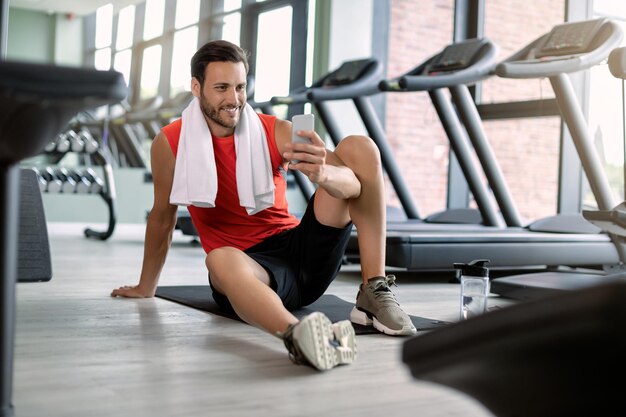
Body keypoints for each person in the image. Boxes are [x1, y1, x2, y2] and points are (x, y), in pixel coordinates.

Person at [111, 40, 417, 371]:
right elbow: (162, 217)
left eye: (240, 87)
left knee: (360, 148)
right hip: (248, 271)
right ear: (196, 88)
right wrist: (146, 286)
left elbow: (357, 188)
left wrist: (324, 174)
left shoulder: (275, 131)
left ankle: (374, 289)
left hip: (303, 251)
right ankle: (298, 335)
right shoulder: (170, 143)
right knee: (219, 258)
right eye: (222, 88)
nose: (234, 99)